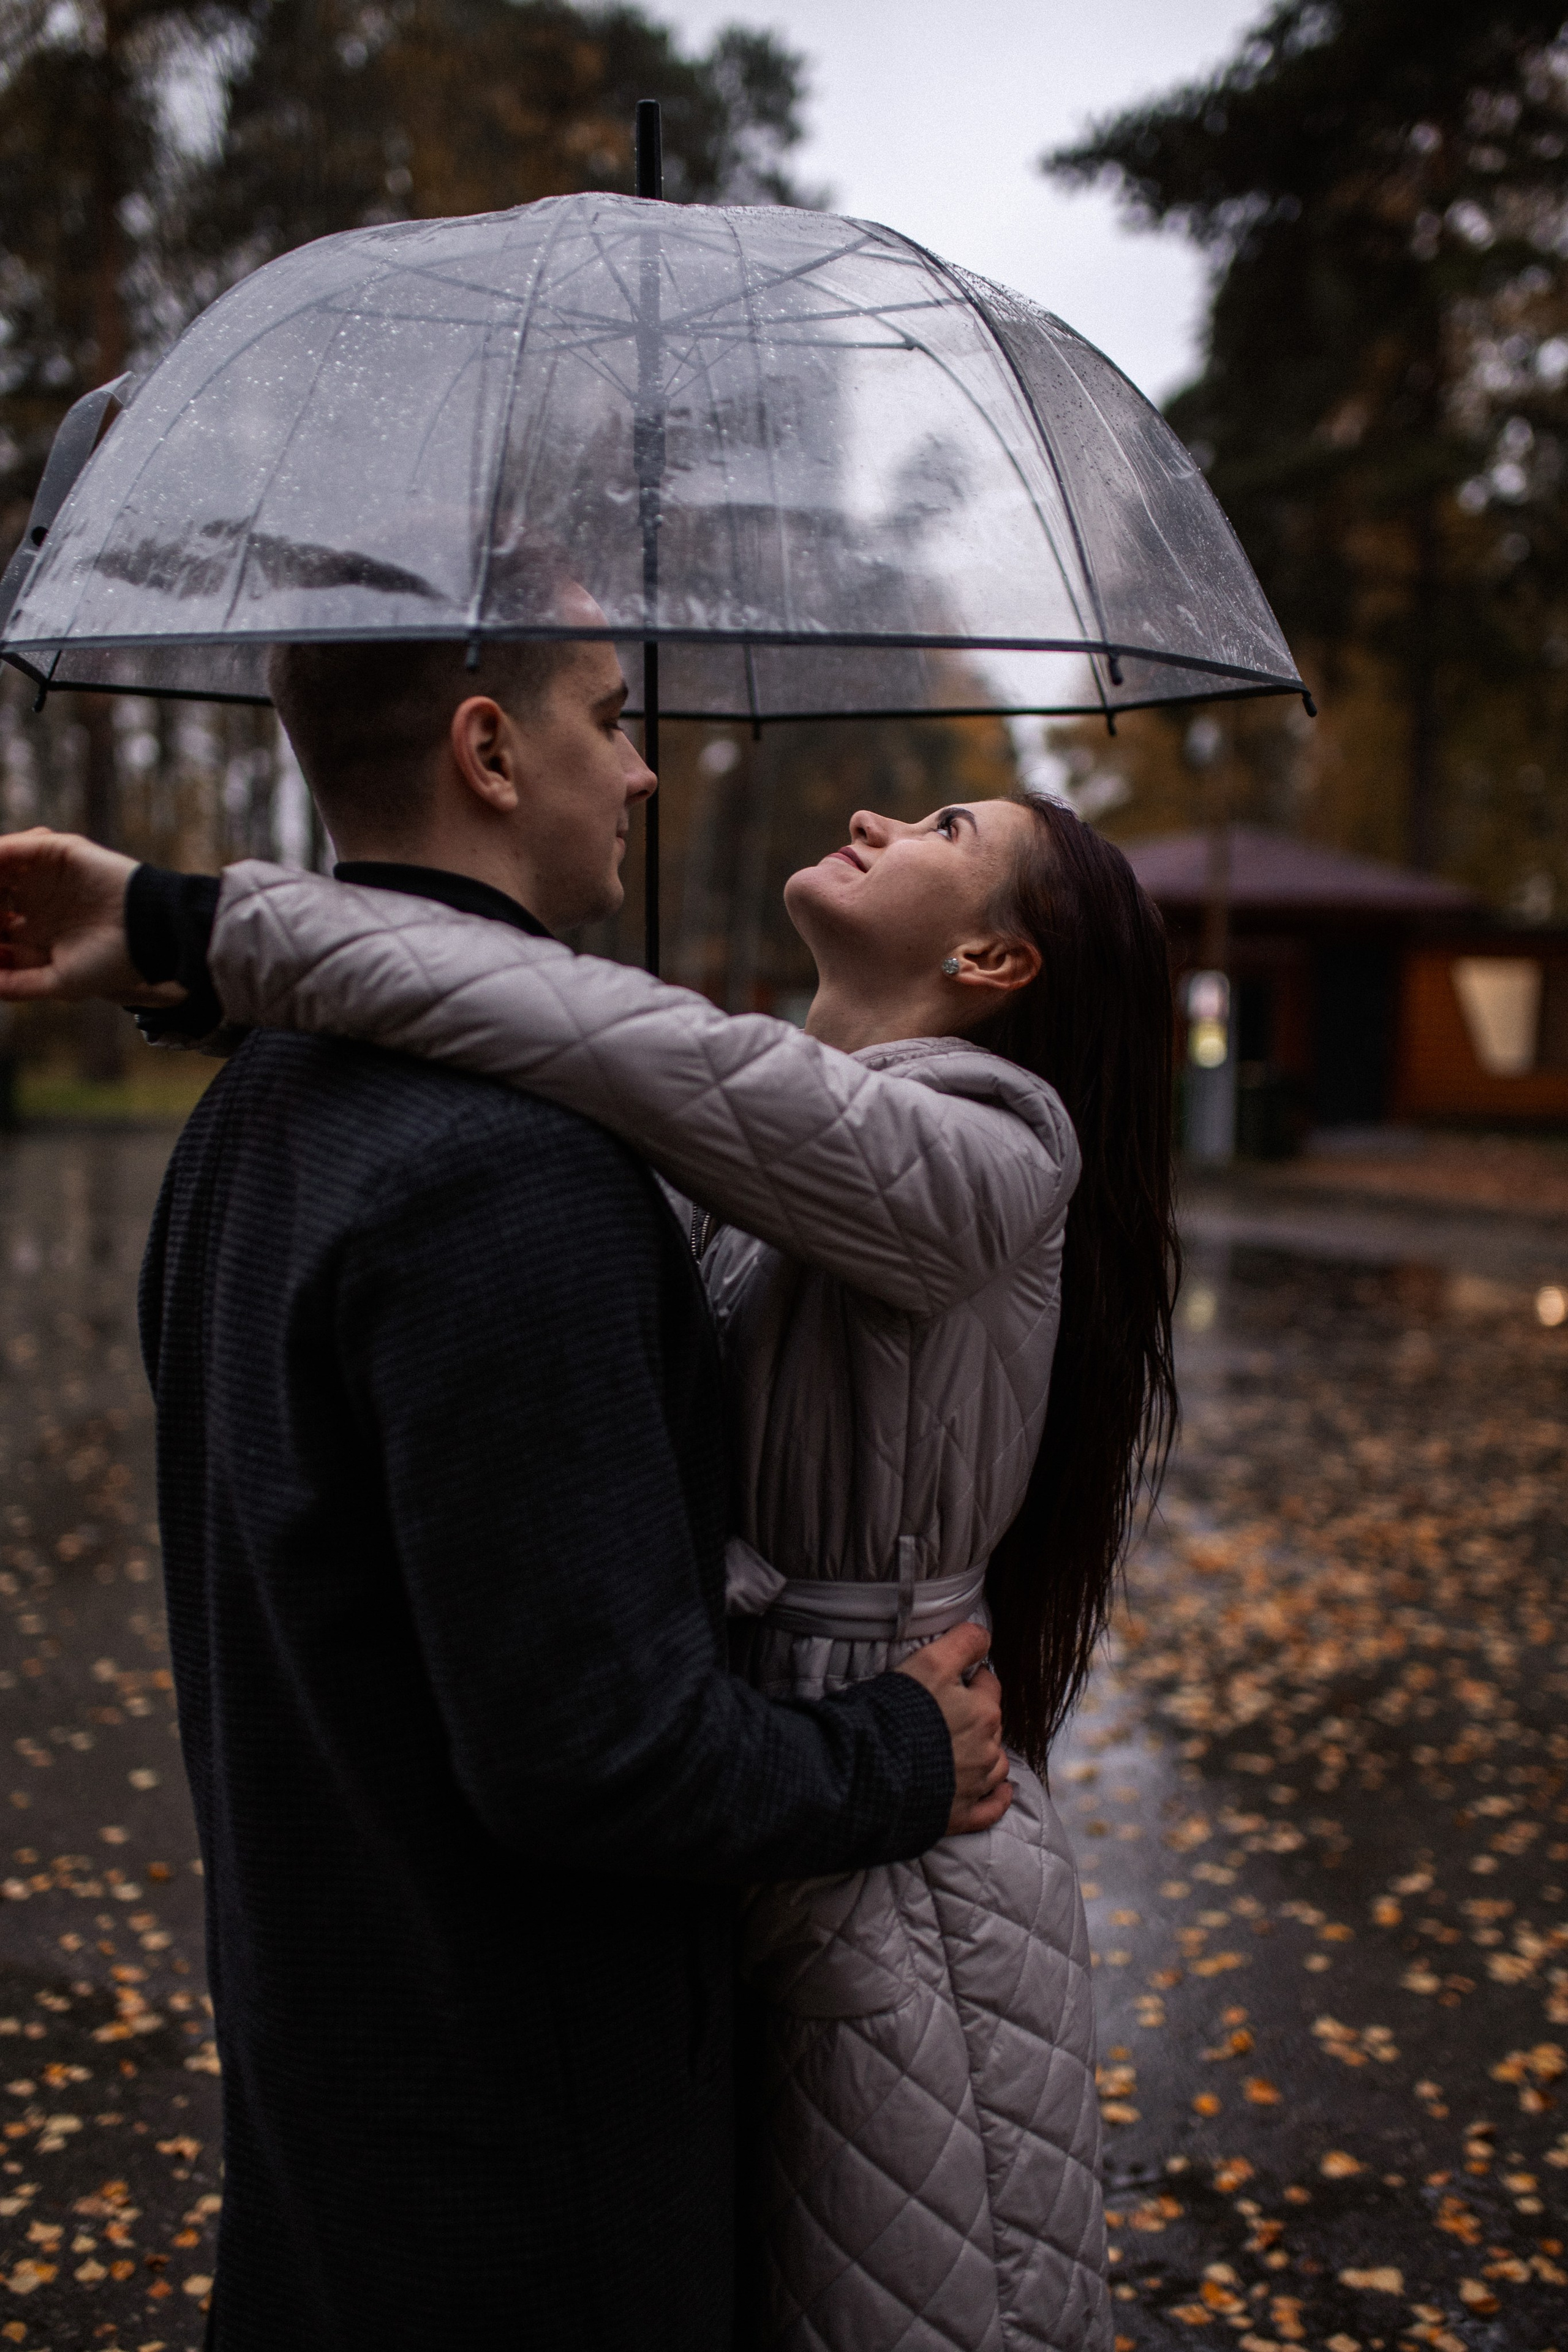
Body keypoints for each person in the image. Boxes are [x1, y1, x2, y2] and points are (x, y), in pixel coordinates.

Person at [0, 643, 1179, 2352]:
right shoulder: (723, 1152)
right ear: (488, 752)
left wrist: (207, 930)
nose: (646, 771)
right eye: (616, 724)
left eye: (943, 826)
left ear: (995, 960)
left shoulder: (994, 1152)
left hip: (895, 1859)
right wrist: (224, 981)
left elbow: (622, 1042)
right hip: (779, 1815)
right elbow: (579, 1063)